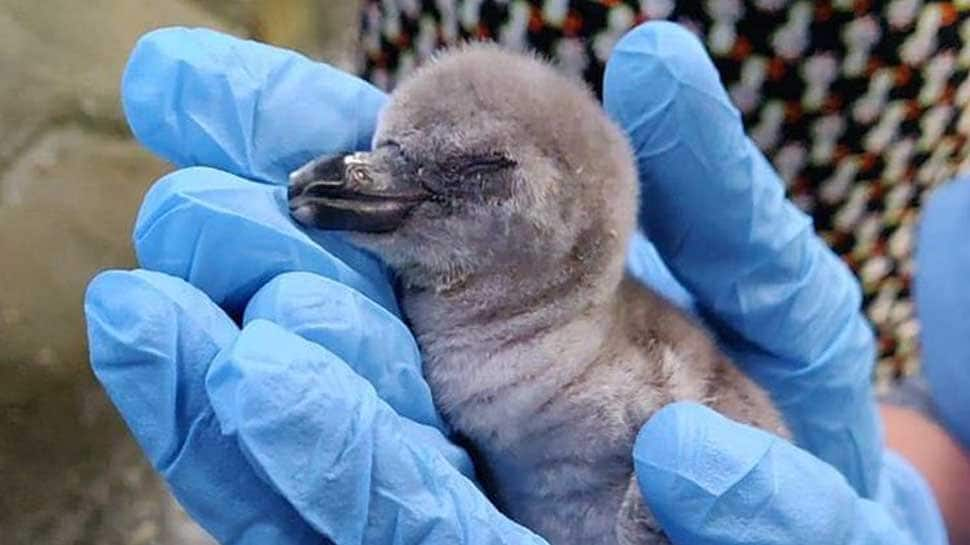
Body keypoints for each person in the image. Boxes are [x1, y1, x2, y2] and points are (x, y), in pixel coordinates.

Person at [84, 21, 965, 545]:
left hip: (850, 139)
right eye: (391, 158)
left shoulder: (637, 391)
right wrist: (927, 464)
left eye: (480, 177)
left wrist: (909, 506)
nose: (359, 183)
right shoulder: (479, 286)